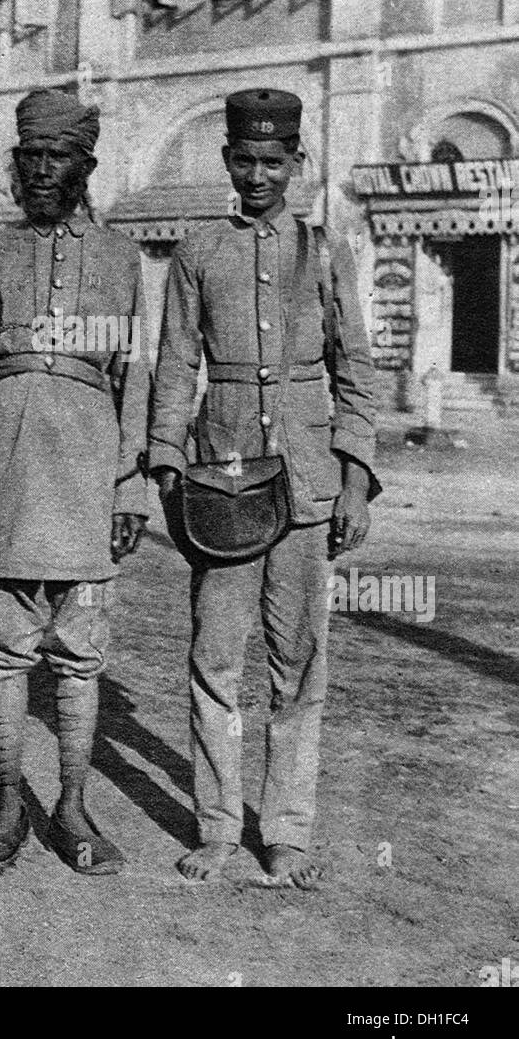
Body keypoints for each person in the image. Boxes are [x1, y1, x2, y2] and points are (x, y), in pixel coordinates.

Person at [150, 88, 380, 888]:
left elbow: (356, 370)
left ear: (296, 165)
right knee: (215, 661)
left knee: (301, 665)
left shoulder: (323, 251)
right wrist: (166, 462)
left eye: (273, 162)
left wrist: (356, 480)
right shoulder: (198, 251)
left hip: (310, 489)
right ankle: (215, 827)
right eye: (244, 160)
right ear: (226, 161)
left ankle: (286, 832)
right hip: (223, 483)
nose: (258, 175)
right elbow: (177, 363)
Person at [0, 88, 149, 876]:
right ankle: (4, 805)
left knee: (80, 652)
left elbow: (136, 376)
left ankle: (70, 805)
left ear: (86, 166)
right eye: (27, 156)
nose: (37, 171)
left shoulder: (122, 259)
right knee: (1, 653)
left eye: (54, 156)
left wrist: (129, 488)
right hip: (5, 470)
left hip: (89, 472)